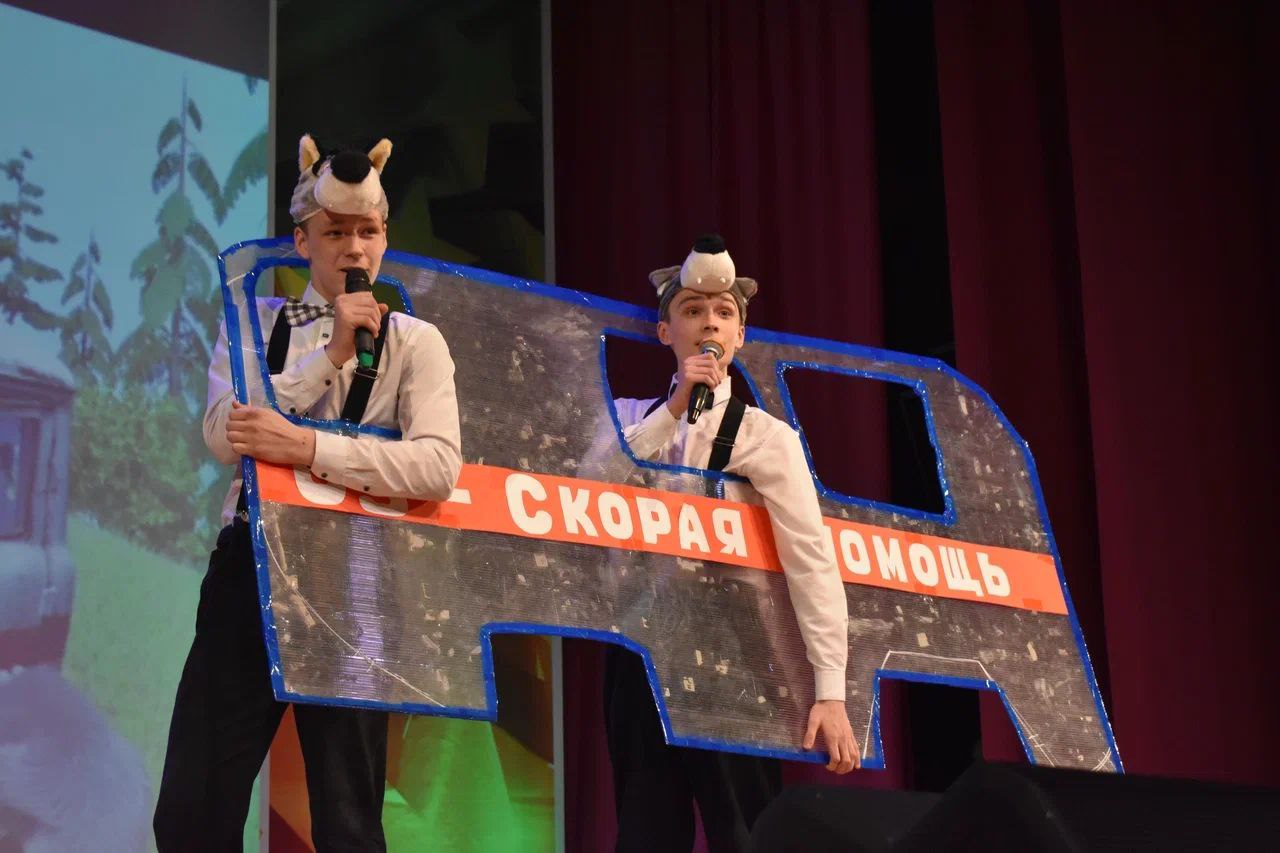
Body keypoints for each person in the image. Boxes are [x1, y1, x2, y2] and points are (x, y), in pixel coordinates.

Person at [153, 134, 462, 852]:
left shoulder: (417, 342)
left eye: (368, 231)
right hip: (251, 564)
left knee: (349, 819)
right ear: (301, 241)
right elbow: (224, 434)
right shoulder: (253, 320)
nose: (354, 248)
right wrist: (328, 358)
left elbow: (437, 466)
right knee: (192, 811)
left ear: (385, 239)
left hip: (356, 574)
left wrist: (309, 448)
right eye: (335, 232)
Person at [605, 234, 858, 853]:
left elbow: (810, 560)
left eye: (723, 312)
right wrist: (673, 409)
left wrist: (830, 691)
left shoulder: (767, 438)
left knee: (744, 835)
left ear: (740, 335)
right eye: (692, 310)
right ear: (665, 331)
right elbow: (589, 483)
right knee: (644, 834)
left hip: (735, 659)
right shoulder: (629, 416)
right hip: (640, 650)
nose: (709, 322)